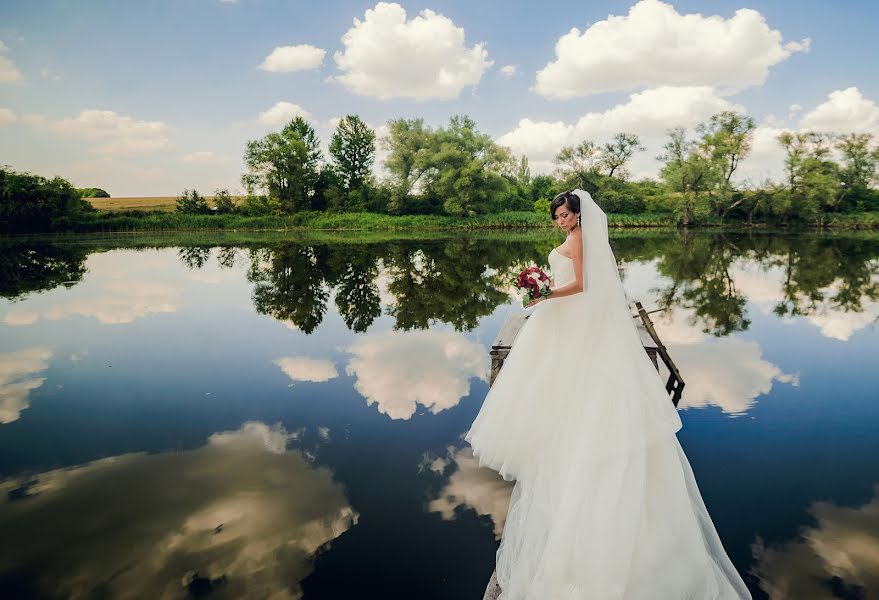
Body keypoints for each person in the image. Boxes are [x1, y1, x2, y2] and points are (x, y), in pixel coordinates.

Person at [465, 189, 751, 599]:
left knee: (577, 380)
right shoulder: (574, 239)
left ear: (579, 217)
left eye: (565, 215)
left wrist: (546, 292)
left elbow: (582, 285)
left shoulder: (582, 242)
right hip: (562, 320)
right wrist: (544, 289)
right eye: (557, 216)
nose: (561, 221)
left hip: (568, 311)